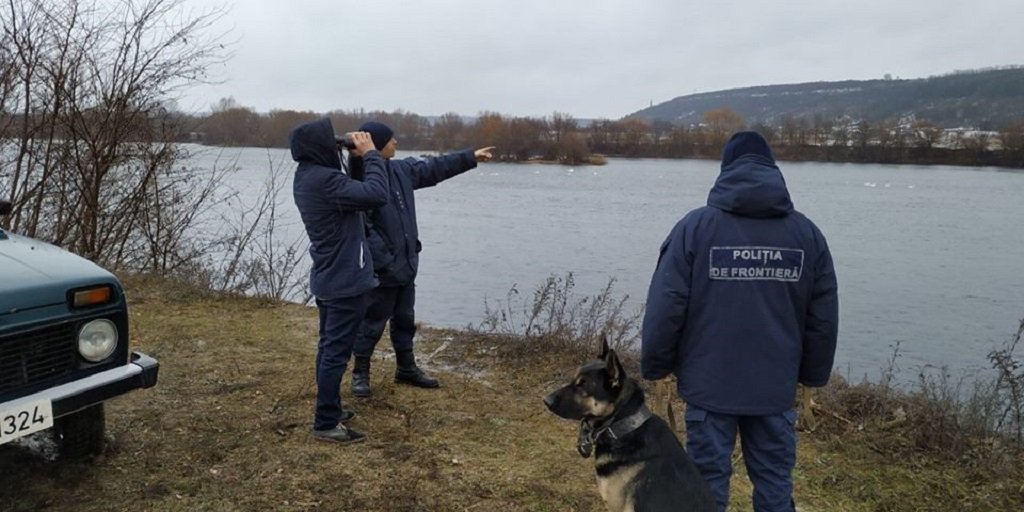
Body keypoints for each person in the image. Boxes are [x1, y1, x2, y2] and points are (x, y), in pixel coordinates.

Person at [640, 131, 839, 511]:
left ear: (725, 169)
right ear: (772, 167)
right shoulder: (807, 235)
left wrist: (657, 367)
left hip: (708, 387)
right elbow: (823, 318)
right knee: (775, 482)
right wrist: (812, 377)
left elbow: (667, 305)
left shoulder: (694, 230)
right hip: (774, 389)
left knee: (707, 483)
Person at [348, 120, 494, 398]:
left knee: (405, 319)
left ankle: (406, 368)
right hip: (383, 270)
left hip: (406, 265)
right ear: (377, 145)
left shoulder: (401, 170)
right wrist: (384, 260)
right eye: (391, 140)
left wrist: (470, 157)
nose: (396, 143)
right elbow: (363, 228)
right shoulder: (361, 179)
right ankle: (360, 373)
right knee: (371, 323)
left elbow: (434, 168)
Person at [290, 117, 390, 444]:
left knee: (328, 348)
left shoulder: (310, 176)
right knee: (335, 352)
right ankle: (326, 421)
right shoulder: (324, 181)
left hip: (330, 276)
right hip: (344, 280)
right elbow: (376, 194)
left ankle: (329, 407)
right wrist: (373, 154)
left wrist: (355, 157)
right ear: (319, 148)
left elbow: (357, 195)